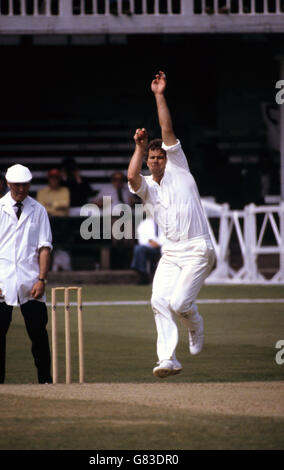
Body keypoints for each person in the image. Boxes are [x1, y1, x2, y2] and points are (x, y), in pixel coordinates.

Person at [127, 71, 216, 379]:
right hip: (172, 253)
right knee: (158, 300)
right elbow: (131, 178)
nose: (156, 160)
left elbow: (166, 128)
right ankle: (168, 359)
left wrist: (159, 94)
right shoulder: (148, 186)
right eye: (151, 157)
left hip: (198, 248)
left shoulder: (178, 166)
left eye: (159, 156)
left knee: (179, 303)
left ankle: (195, 323)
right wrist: (138, 148)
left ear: (167, 158)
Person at [0, 164, 53, 384]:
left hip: (30, 279)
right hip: (1, 280)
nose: (21, 189)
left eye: (24, 184)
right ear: (8, 184)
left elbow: (44, 247)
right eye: (17, 185)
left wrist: (41, 279)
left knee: (38, 333)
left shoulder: (38, 210)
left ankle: (45, 379)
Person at [37, 169, 71, 271]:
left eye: (56, 178)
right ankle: (48, 265)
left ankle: (61, 263)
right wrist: (56, 205)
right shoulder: (42, 192)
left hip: (62, 222)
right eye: (52, 178)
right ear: (48, 179)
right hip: (47, 221)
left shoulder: (65, 190)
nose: (54, 180)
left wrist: (50, 205)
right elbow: (40, 207)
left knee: (62, 232)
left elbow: (65, 204)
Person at [131, 215, 165, 285]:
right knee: (139, 249)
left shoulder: (167, 222)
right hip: (151, 249)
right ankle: (143, 274)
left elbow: (169, 238)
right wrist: (154, 243)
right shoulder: (144, 224)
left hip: (165, 248)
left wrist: (158, 243)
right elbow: (143, 241)